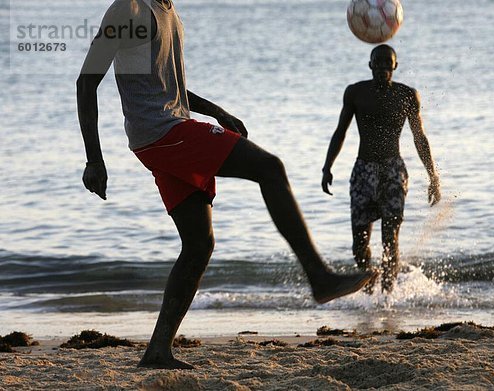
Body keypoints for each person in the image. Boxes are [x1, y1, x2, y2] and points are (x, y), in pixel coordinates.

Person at [77, 0, 374, 369]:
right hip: (165, 134)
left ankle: (158, 351)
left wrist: (216, 110)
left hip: (163, 133)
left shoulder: (165, 11)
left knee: (200, 243)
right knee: (270, 167)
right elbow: (87, 80)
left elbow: (164, 87)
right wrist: (94, 158)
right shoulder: (130, 9)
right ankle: (319, 276)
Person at [321, 44, 441, 294]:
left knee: (390, 239)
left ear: (395, 66)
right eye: (378, 63)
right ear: (370, 65)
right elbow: (340, 132)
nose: (383, 68)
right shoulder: (356, 93)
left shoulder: (407, 95)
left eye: (388, 63)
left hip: (393, 172)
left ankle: (387, 296)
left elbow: (420, 137)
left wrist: (433, 176)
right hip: (363, 171)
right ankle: (368, 291)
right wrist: (327, 166)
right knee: (359, 243)